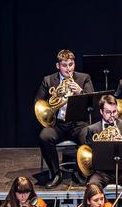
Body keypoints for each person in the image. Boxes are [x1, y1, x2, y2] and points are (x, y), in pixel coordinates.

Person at [37, 49, 95, 188]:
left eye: (71, 64)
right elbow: (39, 102)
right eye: (64, 65)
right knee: (44, 137)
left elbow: (93, 100)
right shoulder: (49, 80)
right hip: (58, 124)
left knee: (89, 135)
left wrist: (80, 92)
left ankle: (81, 173)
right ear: (58, 66)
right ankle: (56, 173)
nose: (68, 69)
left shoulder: (83, 78)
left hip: (78, 123)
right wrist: (53, 100)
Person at [77, 94, 122, 199]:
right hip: (102, 172)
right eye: (108, 112)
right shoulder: (92, 129)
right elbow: (89, 152)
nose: (112, 115)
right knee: (93, 184)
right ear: (101, 112)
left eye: (114, 112)